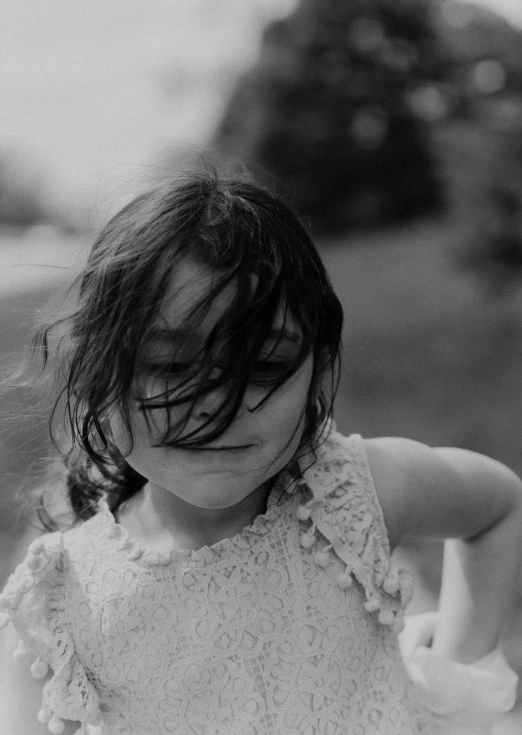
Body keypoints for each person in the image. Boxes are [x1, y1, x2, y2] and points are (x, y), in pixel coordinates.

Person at [0, 166, 521, 735]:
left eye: (265, 364)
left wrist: (453, 687)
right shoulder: (59, 596)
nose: (215, 403)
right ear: (94, 373)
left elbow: (499, 507)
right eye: (170, 365)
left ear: (317, 371)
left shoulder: (351, 495)